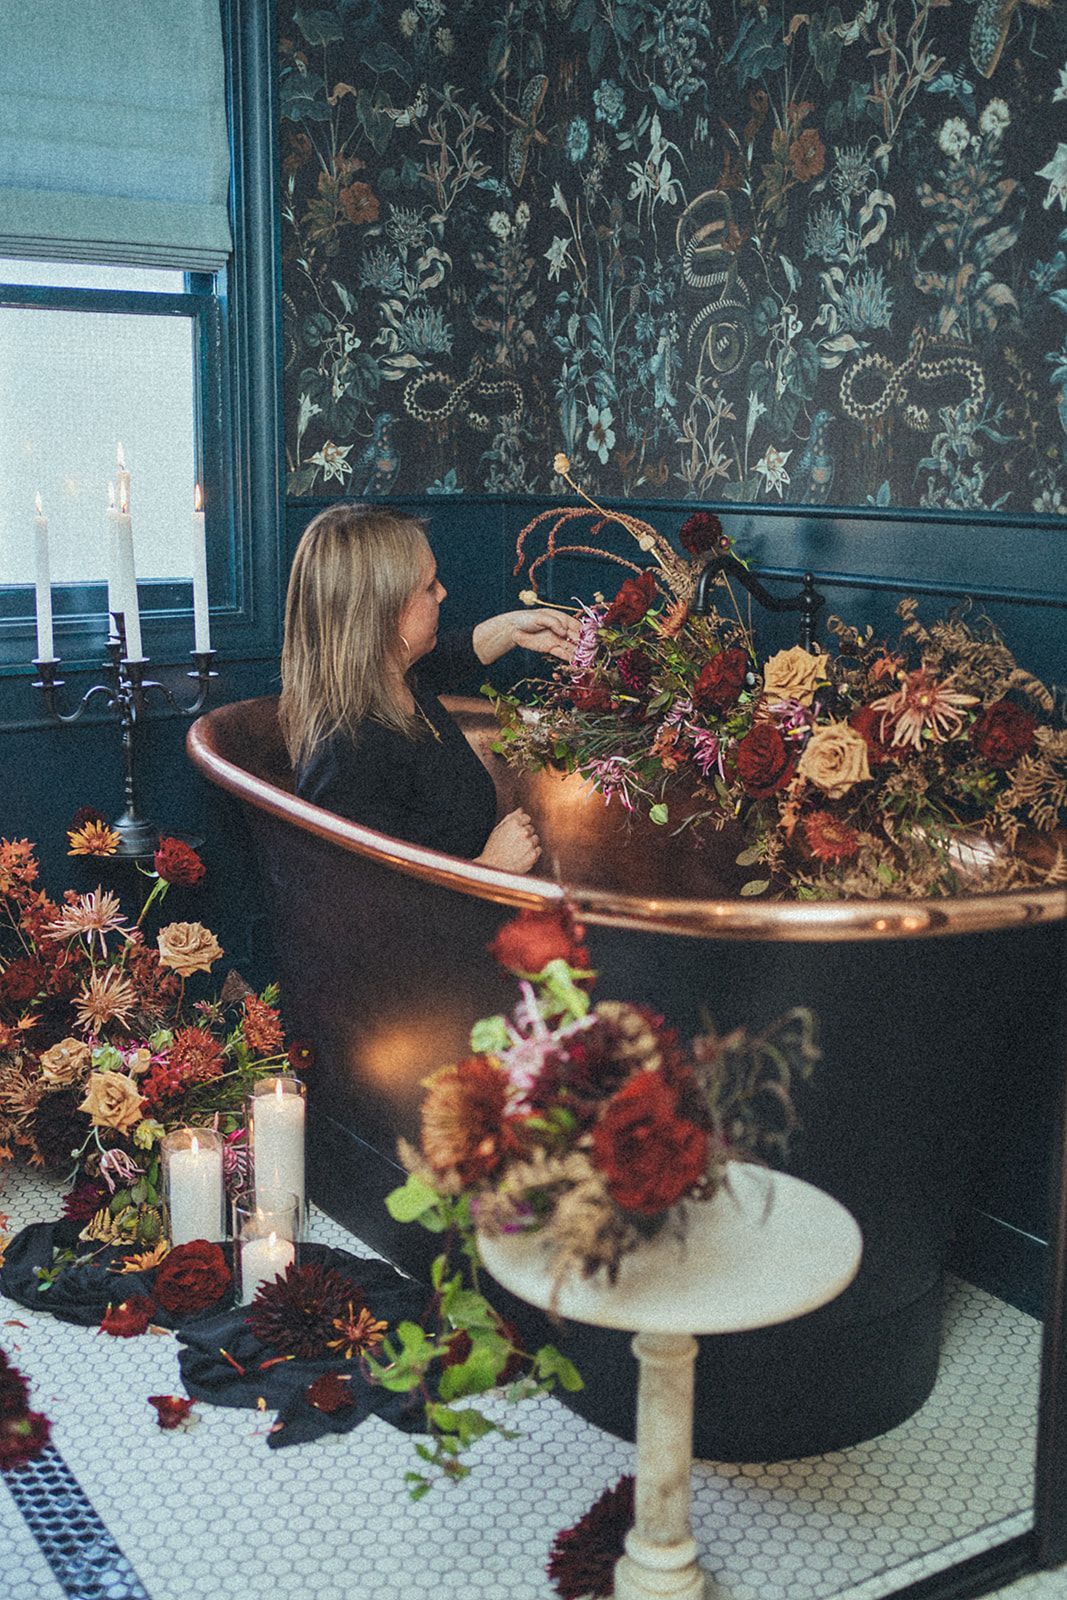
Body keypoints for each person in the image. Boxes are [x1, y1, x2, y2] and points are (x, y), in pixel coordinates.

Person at [279, 503, 578, 873]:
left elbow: (452, 657)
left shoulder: (398, 682)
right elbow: (358, 897)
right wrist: (490, 867)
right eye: (429, 586)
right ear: (384, 610)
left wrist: (515, 628)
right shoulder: (347, 755)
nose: (443, 593)